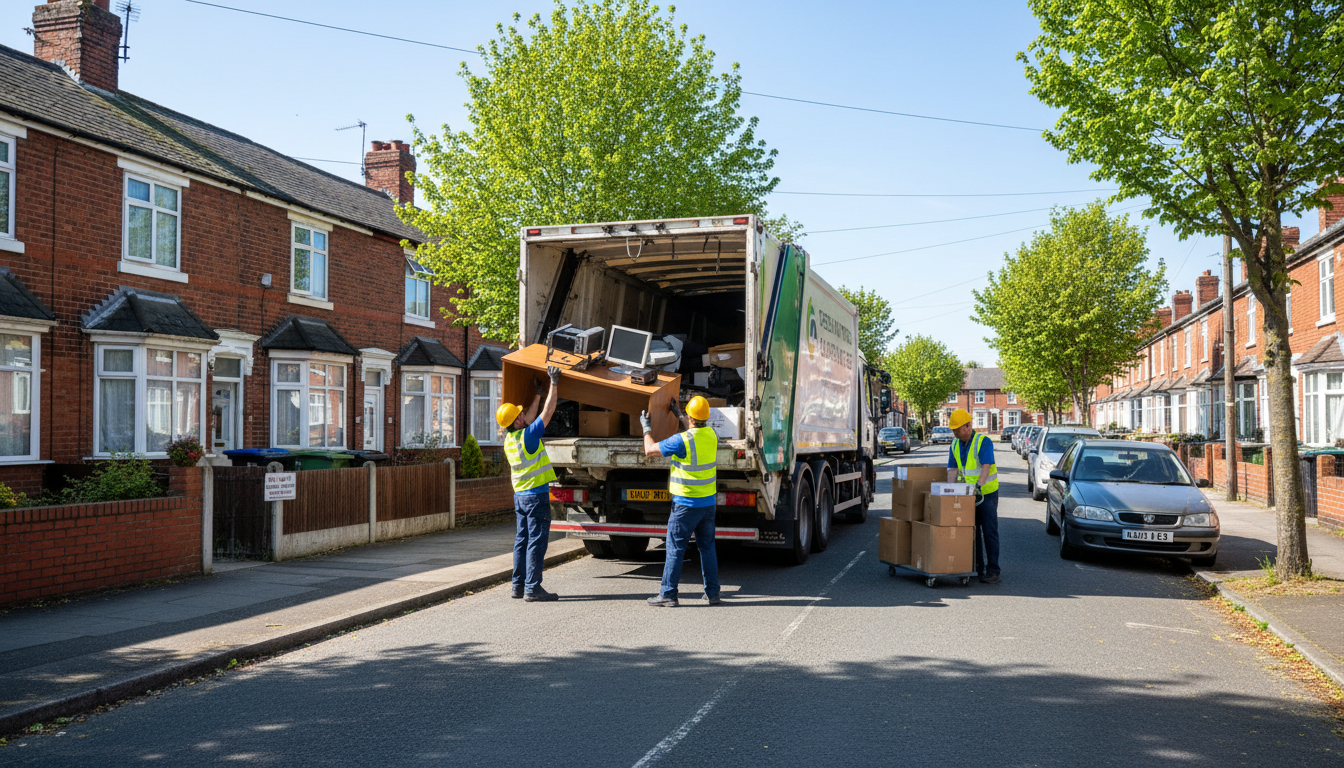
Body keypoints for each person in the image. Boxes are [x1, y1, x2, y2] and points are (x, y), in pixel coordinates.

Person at [640, 395, 721, 607]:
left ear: (691, 418)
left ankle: (668, 594)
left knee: (675, 547)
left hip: (686, 504)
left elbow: (650, 450)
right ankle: (713, 593)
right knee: (707, 547)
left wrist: (646, 428)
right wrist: (678, 414)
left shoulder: (682, 441)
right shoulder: (712, 434)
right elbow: (691, 427)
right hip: (707, 504)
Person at [498, 365, 561, 602]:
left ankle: (518, 586)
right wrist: (553, 383)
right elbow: (548, 411)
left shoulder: (510, 439)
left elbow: (531, 418)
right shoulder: (529, 436)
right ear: (516, 421)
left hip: (520, 497)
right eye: (519, 415)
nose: (523, 416)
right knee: (536, 541)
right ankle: (533, 588)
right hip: (536, 497)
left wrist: (536, 393)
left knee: (522, 540)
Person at [946, 407, 1001, 584]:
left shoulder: (983, 441)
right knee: (972, 532)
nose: (955, 432)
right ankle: (977, 568)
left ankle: (993, 571)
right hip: (968, 495)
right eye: (953, 429)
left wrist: (978, 486)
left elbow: (986, 466)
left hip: (986, 494)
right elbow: (952, 470)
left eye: (957, 428)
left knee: (989, 531)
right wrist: (950, 491)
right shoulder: (954, 444)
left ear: (968, 426)